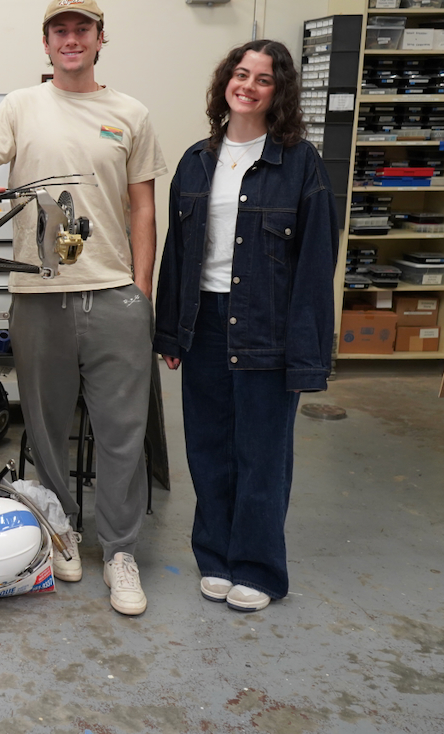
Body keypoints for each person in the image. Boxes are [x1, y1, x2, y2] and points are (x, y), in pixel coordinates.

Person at [0, 0, 165, 616]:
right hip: (40, 296)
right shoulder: (21, 106)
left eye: (83, 29)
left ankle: (121, 551)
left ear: (102, 39)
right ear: (46, 44)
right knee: (43, 425)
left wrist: (142, 289)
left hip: (113, 293)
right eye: (60, 31)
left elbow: (142, 206)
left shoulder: (130, 113)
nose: (72, 39)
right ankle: (62, 528)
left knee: (122, 433)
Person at [154, 40, 339, 613]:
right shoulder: (195, 160)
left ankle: (258, 568)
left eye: (264, 79)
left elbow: (315, 263)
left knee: (262, 452)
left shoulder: (300, 162)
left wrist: (307, 354)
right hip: (204, 321)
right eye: (241, 74)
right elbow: (177, 255)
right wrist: (170, 332)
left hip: (267, 324)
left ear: (278, 93)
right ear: (225, 83)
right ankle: (215, 557)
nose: (249, 86)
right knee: (208, 447)